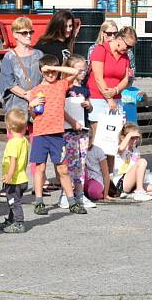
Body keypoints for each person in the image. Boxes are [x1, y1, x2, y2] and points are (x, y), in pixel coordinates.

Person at [28, 54, 84, 215]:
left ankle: (72, 201)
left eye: (53, 72)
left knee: (63, 169)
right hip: (40, 134)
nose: (51, 75)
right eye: (47, 72)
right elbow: (33, 116)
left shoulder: (61, 85)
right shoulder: (36, 91)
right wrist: (31, 106)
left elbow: (74, 71)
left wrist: (53, 67)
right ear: (41, 71)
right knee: (40, 168)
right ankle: (39, 202)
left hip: (57, 135)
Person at [87, 26, 136, 169]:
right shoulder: (100, 50)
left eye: (130, 48)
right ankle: (94, 172)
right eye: (127, 46)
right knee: (98, 139)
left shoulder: (125, 56)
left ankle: (110, 174)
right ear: (119, 39)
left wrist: (115, 90)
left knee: (114, 139)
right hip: (98, 98)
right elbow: (97, 77)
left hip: (116, 97)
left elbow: (126, 79)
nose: (127, 50)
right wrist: (109, 99)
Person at [60, 54, 94, 208]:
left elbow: (91, 107)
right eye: (79, 70)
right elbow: (60, 109)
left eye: (84, 70)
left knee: (81, 162)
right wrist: (72, 122)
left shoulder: (85, 90)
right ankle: (66, 194)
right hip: (69, 130)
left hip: (83, 129)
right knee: (70, 163)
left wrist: (88, 105)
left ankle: (80, 194)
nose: (83, 73)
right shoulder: (65, 88)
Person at [0, 16, 44, 125]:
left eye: (30, 32)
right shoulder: (9, 57)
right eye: (24, 33)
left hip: (37, 106)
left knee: (35, 140)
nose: (28, 35)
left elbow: (44, 78)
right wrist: (26, 95)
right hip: (17, 109)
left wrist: (36, 96)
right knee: (17, 141)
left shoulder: (39, 54)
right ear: (15, 34)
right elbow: (8, 83)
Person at [0, 108, 29, 233]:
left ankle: (19, 223)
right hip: (22, 178)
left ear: (8, 126)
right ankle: (11, 220)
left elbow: (13, 161)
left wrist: (9, 175)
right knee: (13, 201)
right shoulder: (24, 141)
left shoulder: (13, 143)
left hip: (14, 180)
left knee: (14, 202)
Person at [113, 123, 152, 202]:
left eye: (136, 138)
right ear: (124, 137)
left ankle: (131, 194)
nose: (135, 140)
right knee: (142, 161)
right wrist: (129, 135)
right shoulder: (120, 148)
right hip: (121, 182)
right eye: (132, 138)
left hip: (133, 183)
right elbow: (120, 149)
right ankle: (139, 191)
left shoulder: (136, 150)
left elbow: (139, 169)